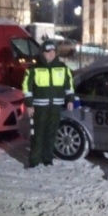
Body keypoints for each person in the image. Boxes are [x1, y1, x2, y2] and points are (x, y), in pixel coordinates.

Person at [22, 40, 75, 168]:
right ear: (42, 53)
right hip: (39, 107)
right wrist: (29, 104)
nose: (51, 54)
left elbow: (69, 85)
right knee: (38, 134)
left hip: (55, 106)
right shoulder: (33, 69)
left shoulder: (63, 67)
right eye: (48, 52)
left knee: (51, 133)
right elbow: (26, 87)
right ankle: (34, 160)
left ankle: (47, 159)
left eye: (53, 51)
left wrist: (70, 99)